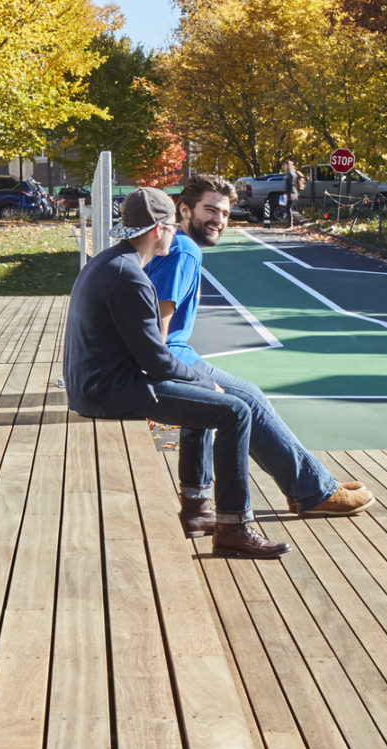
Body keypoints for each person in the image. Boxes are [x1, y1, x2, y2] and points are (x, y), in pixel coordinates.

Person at [63, 186, 287, 558]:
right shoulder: (130, 277)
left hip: (97, 383)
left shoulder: (110, 262)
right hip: (109, 391)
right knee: (234, 410)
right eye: (171, 228)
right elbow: (156, 360)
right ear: (158, 230)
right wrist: (208, 383)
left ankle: (198, 508)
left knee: (199, 401)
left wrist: (197, 384)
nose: (175, 235)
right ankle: (234, 526)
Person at [146, 172, 374, 537]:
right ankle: (313, 491)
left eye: (223, 212)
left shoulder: (172, 245)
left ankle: (197, 504)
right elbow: (159, 319)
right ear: (184, 209)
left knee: (211, 401)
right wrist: (157, 374)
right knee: (247, 398)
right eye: (209, 210)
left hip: (170, 355)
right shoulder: (184, 251)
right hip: (168, 356)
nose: (218, 220)